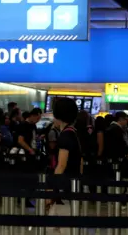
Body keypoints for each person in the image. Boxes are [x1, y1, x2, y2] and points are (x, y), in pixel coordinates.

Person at [46, 98, 82, 234]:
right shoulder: (73, 133)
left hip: (63, 189)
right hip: (71, 186)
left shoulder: (65, 136)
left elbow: (61, 165)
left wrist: (52, 191)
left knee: (61, 228)